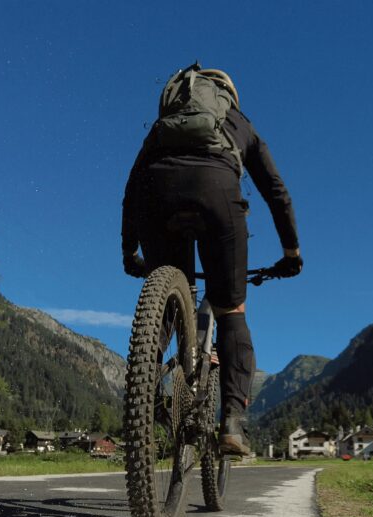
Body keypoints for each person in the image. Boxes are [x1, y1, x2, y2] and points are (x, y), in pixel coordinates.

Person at [121, 64, 302, 456]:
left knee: (170, 310)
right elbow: (276, 192)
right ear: (228, 96)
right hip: (217, 192)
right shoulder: (240, 122)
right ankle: (233, 424)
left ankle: (143, 399)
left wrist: (129, 250)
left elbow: (132, 188)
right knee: (231, 309)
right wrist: (291, 252)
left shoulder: (162, 127)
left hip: (157, 194)